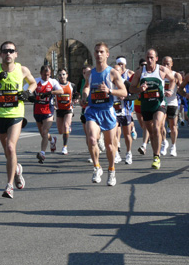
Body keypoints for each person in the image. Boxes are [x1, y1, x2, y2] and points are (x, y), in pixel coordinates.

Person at [0, 41, 36, 198]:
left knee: (10, 147)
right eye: (5, 51)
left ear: (16, 54)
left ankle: (9, 186)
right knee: (7, 151)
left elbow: (33, 83)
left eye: (11, 51)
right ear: (0, 54)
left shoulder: (22, 69)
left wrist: (27, 93)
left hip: (16, 113)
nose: (8, 53)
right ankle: (17, 170)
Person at [81, 42, 127, 186]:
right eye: (96, 52)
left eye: (101, 52)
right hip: (93, 111)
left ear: (107, 54)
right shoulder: (90, 73)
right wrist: (84, 95)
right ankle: (96, 167)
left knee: (109, 146)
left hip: (107, 111)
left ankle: (111, 170)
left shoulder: (112, 72)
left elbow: (124, 92)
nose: (98, 54)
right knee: (92, 139)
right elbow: (87, 88)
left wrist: (110, 91)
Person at [129, 49, 176, 169]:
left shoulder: (162, 70)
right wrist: (140, 89)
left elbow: (173, 79)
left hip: (159, 104)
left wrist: (170, 89)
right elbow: (131, 89)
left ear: (156, 58)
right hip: (146, 105)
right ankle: (156, 153)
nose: (149, 60)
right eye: (147, 58)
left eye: (151, 58)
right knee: (152, 132)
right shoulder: (139, 72)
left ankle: (156, 156)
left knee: (156, 127)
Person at [32, 65, 63, 163]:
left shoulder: (53, 82)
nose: (46, 77)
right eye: (45, 75)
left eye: (48, 75)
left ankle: (42, 153)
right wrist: (29, 96)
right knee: (43, 133)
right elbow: (26, 90)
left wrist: (50, 93)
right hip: (37, 110)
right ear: (41, 73)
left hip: (48, 110)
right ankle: (52, 140)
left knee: (44, 132)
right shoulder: (35, 81)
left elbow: (61, 91)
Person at [112, 63, 134, 165]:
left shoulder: (126, 83)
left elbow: (136, 96)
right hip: (113, 113)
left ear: (121, 72)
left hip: (125, 112)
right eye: (114, 71)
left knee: (127, 135)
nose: (116, 73)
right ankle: (116, 153)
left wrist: (125, 97)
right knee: (114, 134)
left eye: (118, 71)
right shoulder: (109, 83)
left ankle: (129, 153)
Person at [160, 56, 182, 157]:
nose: (165, 65)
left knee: (173, 126)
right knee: (160, 125)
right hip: (161, 103)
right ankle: (164, 143)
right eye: (164, 63)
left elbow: (181, 88)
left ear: (172, 64)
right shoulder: (159, 75)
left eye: (168, 63)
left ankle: (173, 146)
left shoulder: (176, 75)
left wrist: (182, 91)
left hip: (172, 102)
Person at [55, 68, 76, 155]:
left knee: (66, 127)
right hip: (59, 109)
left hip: (68, 109)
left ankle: (65, 147)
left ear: (67, 75)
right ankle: (67, 129)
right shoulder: (55, 85)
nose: (62, 76)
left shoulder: (72, 85)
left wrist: (75, 99)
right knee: (60, 131)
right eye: (60, 75)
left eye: (63, 74)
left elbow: (76, 94)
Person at [134, 58, 150, 154]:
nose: (144, 66)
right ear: (139, 66)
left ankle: (144, 145)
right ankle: (147, 138)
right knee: (142, 125)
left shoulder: (149, 75)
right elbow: (130, 87)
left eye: (145, 64)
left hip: (147, 102)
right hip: (137, 102)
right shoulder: (136, 75)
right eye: (142, 65)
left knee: (145, 125)